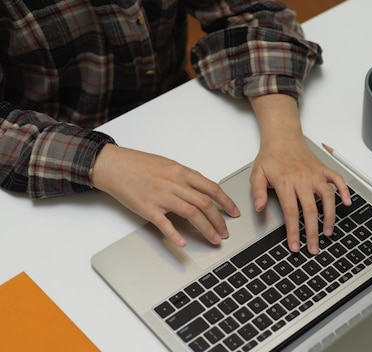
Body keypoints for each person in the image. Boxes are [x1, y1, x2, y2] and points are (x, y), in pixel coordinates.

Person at [0, 0, 351, 255]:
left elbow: (249, 11)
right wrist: (102, 162)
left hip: (177, 116)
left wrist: (285, 138)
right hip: (51, 177)